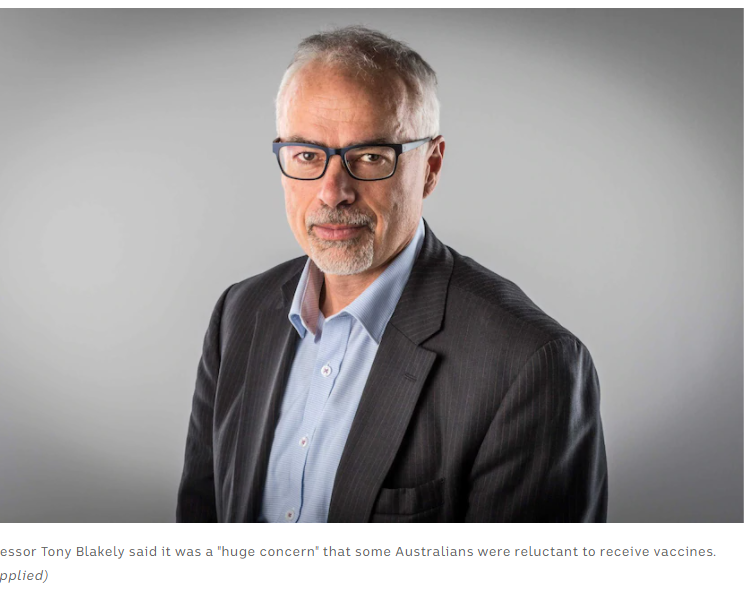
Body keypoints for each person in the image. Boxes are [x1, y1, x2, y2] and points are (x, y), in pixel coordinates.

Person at [177, 25, 607, 523]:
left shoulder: (527, 363)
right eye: (307, 156)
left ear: (431, 166)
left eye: (370, 157)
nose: (333, 192)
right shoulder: (238, 314)